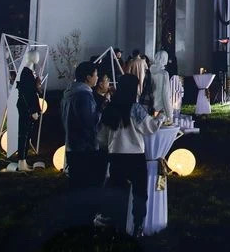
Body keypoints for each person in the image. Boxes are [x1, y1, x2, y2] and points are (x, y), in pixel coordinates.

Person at [99, 74, 162, 238]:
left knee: (118, 192)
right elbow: (150, 127)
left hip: (116, 156)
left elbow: (102, 137)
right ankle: (138, 226)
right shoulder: (136, 108)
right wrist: (161, 118)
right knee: (140, 194)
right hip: (135, 156)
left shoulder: (109, 108)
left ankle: (117, 225)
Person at [62, 61, 107, 226]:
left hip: (72, 144)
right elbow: (89, 123)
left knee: (76, 183)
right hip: (85, 147)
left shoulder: (69, 93)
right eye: (95, 75)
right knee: (86, 184)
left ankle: (75, 218)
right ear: (88, 77)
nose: (97, 78)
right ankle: (86, 219)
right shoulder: (84, 95)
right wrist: (101, 110)